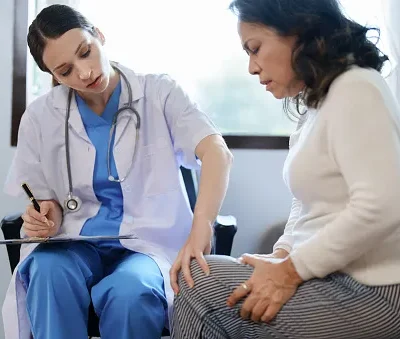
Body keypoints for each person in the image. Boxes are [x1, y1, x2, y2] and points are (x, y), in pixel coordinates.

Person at [171, 0, 400, 338]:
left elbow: (384, 204)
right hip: (332, 275)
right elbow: (304, 205)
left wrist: (290, 271)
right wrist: (280, 255)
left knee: (197, 288)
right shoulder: (315, 106)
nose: (251, 67)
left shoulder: (355, 88)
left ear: (297, 30)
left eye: (255, 48)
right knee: (206, 283)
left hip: (375, 290)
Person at [2, 4, 233, 339]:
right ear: (53, 76)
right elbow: (44, 200)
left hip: (147, 243)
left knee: (131, 293)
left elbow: (217, 153)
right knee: (47, 270)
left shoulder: (158, 93)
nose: (83, 73)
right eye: (65, 70)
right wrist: (44, 217)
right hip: (74, 242)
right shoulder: (40, 117)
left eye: (85, 52)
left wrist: (202, 226)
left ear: (99, 35)